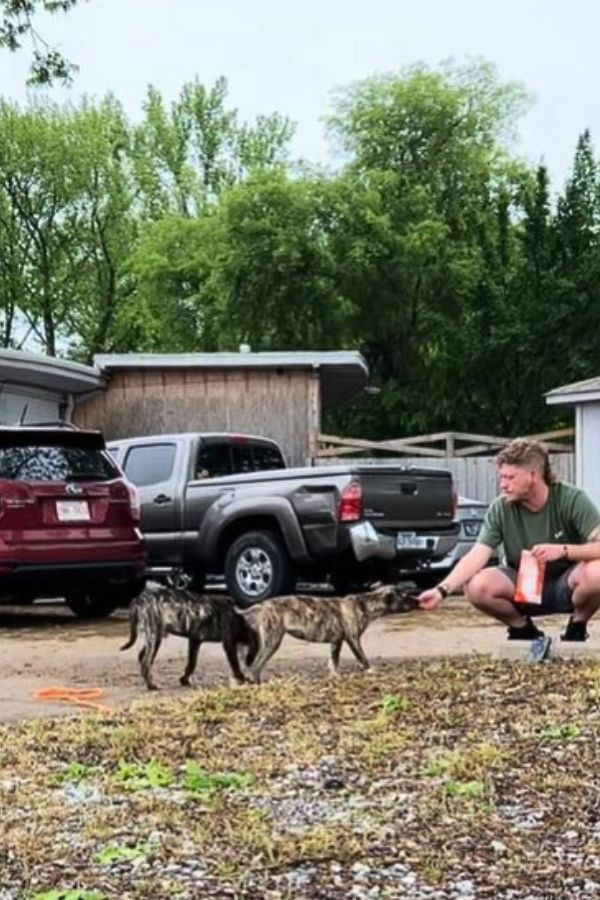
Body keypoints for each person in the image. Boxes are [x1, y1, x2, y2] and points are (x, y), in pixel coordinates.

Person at [418, 438, 600, 642]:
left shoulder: (571, 499)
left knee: (597, 571)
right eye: (501, 477)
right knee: (477, 585)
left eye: (510, 477)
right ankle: (521, 628)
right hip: (521, 585)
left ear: (533, 475)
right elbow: (478, 554)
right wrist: (442, 590)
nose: (503, 485)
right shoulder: (500, 508)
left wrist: (564, 551)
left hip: (566, 584)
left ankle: (577, 625)